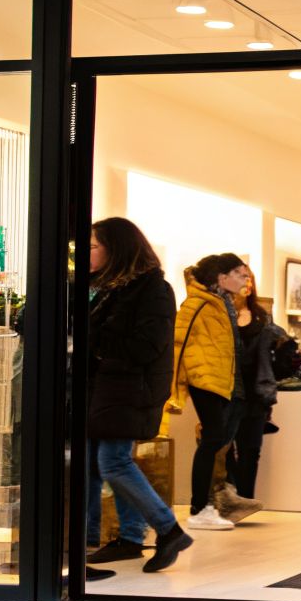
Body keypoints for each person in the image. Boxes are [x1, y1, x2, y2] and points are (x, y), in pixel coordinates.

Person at [83, 218, 192, 573]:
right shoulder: (106, 287)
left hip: (129, 389)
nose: (88, 254)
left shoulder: (151, 289)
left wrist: (96, 343)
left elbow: (147, 346)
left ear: (116, 248)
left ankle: (168, 528)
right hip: (108, 388)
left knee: (113, 462)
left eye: (94, 246)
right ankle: (130, 538)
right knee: (107, 462)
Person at [173, 252, 251, 531]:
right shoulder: (199, 304)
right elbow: (179, 344)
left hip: (218, 380)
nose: (245, 279)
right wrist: (182, 385)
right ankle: (199, 508)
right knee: (212, 439)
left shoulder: (220, 302)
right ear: (222, 277)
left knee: (215, 440)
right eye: (240, 274)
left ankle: (205, 506)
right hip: (205, 379)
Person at [221, 265, 286, 515]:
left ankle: (245, 499)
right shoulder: (222, 312)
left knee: (250, 449)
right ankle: (230, 496)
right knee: (222, 446)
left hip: (256, 392)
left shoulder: (261, 315)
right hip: (227, 390)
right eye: (240, 276)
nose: (244, 282)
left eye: (248, 277)